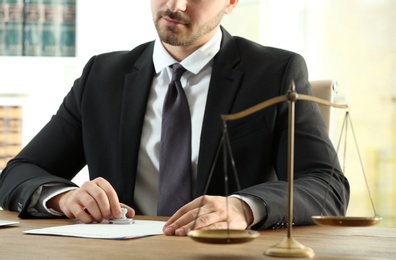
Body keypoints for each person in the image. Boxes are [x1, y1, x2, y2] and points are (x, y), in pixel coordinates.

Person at [0, 0, 349, 236]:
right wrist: (63, 198)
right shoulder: (102, 75)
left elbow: (327, 185)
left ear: (231, 3)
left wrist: (244, 207)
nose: (176, 5)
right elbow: (19, 172)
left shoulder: (274, 72)